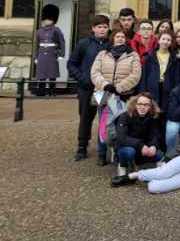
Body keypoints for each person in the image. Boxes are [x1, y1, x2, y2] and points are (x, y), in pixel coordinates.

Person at [91, 29, 142, 166]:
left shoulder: (132, 55)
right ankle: (101, 154)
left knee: (121, 126)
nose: (120, 38)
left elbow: (135, 75)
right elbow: (94, 73)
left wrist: (118, 88)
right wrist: (106, 85)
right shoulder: (102, 54)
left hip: (124, 96)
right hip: (104, 94)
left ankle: (119, 155)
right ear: (112, 38)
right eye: (117, 36)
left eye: (122, 37)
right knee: (103, 125)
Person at [68, 15, 110, 161]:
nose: (102, 30)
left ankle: (103, 149)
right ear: (93, 28)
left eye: (105, 27)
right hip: (87, 88)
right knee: (86, 118)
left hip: (104, 88)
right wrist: (82, 78)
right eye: (99, 27)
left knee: (105, 119)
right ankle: (82, 147)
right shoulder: (83, 44)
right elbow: (71, 64)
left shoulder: (111, 44)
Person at [113, 93, 164, 174]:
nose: (142, 107)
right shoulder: (125, 116)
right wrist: (140, 145)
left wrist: (153, 146)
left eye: (146, 104)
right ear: (135, 104)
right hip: (126, 146)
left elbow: (155, 135)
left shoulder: (153, 117)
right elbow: (121, 137)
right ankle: (122, 165)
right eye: (139, 104)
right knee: (129, 152)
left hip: (143, 149)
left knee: (159, 154)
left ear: (150, 106)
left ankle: (138, 163)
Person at [138, 30, 178, 131]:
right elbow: (144, 75)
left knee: (163, 116)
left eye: (168, 40)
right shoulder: (150, 56)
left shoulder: (174, 57)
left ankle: (161, 140)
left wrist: (174, 92)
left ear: (171, 42)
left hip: (167, 89)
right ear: (159, 40)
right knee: (151, 115)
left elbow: (176, 76)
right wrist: (142, 93)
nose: (165, 42)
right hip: (152, 89)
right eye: (163, 39)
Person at [34, 9, 66, 96]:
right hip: (41, 54)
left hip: (52, 54)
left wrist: (61, 54)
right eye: (45, 19)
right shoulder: (39, 31)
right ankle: (41, 91)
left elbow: (62, 42)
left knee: (52, 75)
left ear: (52, 20)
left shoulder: (56, 30)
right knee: (41, 74)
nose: (46, 21)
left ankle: (52, 91)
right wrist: (36, 57)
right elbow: (37, 45)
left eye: (48, 19)